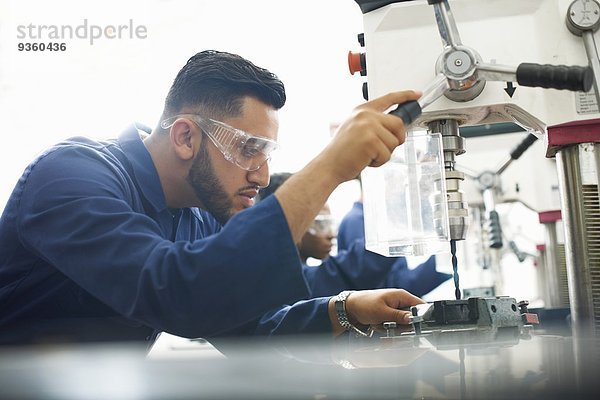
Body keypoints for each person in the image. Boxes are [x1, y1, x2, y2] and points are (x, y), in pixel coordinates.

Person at [0, 50, 424, 345]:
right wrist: (331, 167)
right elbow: (177, 293)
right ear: (185, 136)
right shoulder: (70, 176)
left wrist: (344, 309)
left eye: (267, 153)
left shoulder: (197, 216)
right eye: (248, 148)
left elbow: (245, 328)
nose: (262, 173)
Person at [260, 172, 451, 297]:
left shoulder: (297, 273)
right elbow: (355, 271)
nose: (331, 235)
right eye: (320, 223)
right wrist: (406, 211)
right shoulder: (286, 281)